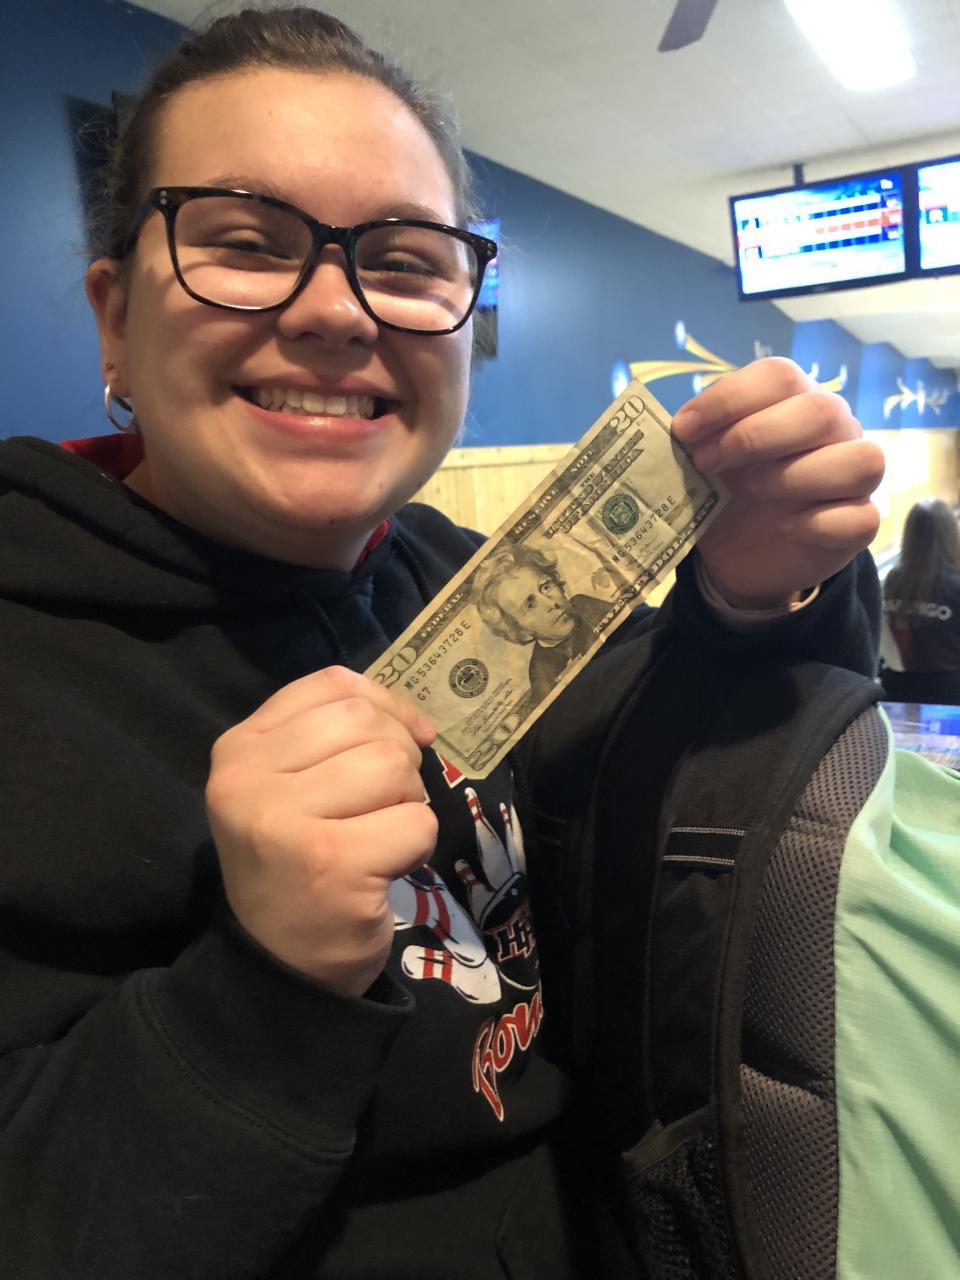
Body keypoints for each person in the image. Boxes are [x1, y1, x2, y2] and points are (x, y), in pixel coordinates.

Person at [0, 8, 884, 1278]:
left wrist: (758, 594)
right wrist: (261, 984)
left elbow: (678, 799)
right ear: (114, 320)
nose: (335, 311)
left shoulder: (461, 575)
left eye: (406, 261)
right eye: (243, 243)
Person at [473, 543, 613, 703]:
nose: (551, 603)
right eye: (530, 604)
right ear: (522, 632)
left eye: (546, 587)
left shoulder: (583, 604)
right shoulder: (542, 672)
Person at [880, 497, 960, 703]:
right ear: (951, 535)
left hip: (897, 689)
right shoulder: (955, 584)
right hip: (950, 693)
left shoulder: (891, 580)